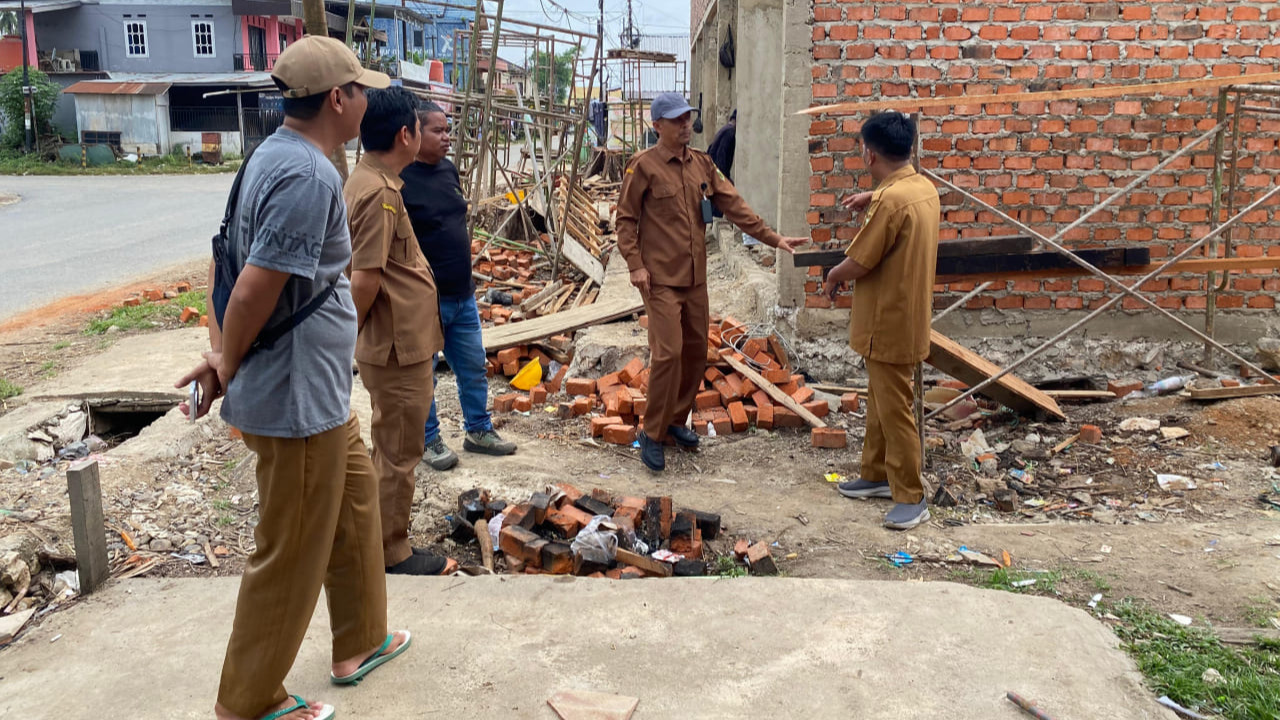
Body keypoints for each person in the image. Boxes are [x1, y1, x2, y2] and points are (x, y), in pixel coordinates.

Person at [177, 36, 410, 720]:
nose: (366, 99)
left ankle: (360, 640)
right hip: (297, 392)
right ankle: (248, 700)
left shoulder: (273, 155)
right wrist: (228, 359)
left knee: (356, 503)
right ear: (338, 100)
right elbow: (250, 287)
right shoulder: (308, 176)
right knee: (292, 548)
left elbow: (220, 258)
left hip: (317, 390)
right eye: (360, 90)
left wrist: (225, 352)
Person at [616, 93, 808, 472]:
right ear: (658, 126)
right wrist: (635, 265)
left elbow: (734, 205)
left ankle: (675, 421)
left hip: (695, 279)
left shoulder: (703, 164)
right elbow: (625, 221)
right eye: (677, 120)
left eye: (688, 118)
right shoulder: (643, 167)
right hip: (661, 281)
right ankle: (651, 435)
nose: (686, 125)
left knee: (694, 353)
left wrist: (775, 239)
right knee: (668, 353)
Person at [344, 87, 457, 575]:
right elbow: (364, 278)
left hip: (400, 341)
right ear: (405, 135)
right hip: (395, 346)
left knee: (390, 445)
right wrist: (348, 340)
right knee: (399, 451)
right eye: (422, 126)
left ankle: (374, 535)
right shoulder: (380, 194)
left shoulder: (372, 180)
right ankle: (390, 550)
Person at [822, 111, 940, 531]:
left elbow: (860, 260)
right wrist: (869, 198)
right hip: (907, 313)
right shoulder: (921, 187)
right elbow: (895, 205)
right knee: (880, 400)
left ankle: (910, 494)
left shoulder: (890, 200)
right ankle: (874, 474)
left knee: (895, 410)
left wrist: (833, 275)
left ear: (869, 154)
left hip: (887, 320)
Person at [401, 100, 517, 471]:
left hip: (462, 294)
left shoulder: (449, 171)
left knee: (471, 367)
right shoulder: (401, 179)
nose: (448, 137)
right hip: (425, 300)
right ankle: (428, 438)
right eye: (438, 130)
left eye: (448, 129)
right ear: (415, 134)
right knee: (425, 376)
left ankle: (478, 431)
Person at [706, 109, 736, 220]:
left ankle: (713, 220)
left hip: (713, 168)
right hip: (717, 169)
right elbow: (721, 154)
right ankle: (714, 221)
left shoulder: (725, 129)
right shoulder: (730, 132)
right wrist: (722, 177)